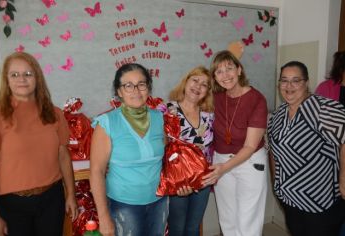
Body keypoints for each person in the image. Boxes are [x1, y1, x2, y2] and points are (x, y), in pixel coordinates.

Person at [0, 51, 78, 236]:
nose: (21, 79)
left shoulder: (54, 113)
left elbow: (63, 155)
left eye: (28, 74)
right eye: (14, 74)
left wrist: (70, 194)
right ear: (6, 80)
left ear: (37, 78)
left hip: (51, 199)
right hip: (11, 204)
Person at [267, 61, 345, 236]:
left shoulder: (324, 108)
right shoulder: (278, 114)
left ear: (306, 83)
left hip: (321, 201)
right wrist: (276, 183)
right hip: (290, 198)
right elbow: (274, 151)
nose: (289, 86)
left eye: (296, 80)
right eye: (284, 80)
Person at [89, 63, 168, 236]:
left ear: (148, 88)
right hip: (124, 205)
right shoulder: (107, 123)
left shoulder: (160, 119)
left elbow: (168, 160)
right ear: (119, 91)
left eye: (141, 84)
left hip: (159, 201)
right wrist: (103, 217)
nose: (136, 91)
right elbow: (96, 171)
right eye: (128, 85)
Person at [202, 50, 268, 236]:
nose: (225, 75)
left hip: (249, 161)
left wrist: (223, 168)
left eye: (229, 68)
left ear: (239, 70)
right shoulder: (216, 97)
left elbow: (249, 146)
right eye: (219, 71)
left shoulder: (257, 99)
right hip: (221, 159)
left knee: (248, 219)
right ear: (214, 76)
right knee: (227, 218)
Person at [166, 66, 214, 236]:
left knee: (193, 228)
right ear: (186, 82)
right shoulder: (168, 111)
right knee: (177, 229)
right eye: (195, 80)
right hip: (179, 183)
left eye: (204, 84)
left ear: (207, 91)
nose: (198, 86)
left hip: (203, 181)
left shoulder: (209, 115)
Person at [315, 49, 345, 236]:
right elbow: (316, 124)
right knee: (335, 210)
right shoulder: (327, 88)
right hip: (332, 159)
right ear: (343, 66)